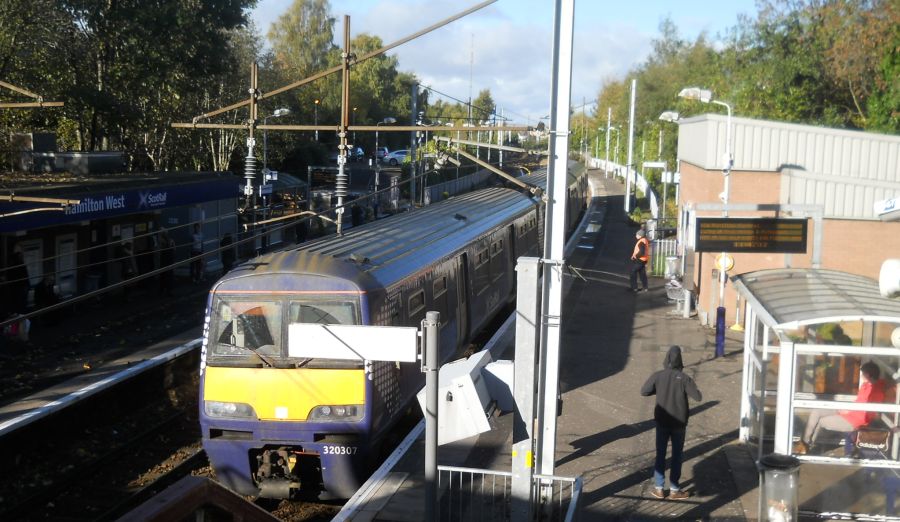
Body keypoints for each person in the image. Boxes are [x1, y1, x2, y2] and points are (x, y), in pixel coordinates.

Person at [641, 345, 702, 500]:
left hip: (662, 421)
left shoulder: (658, 376)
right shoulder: (685, 378)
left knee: (660, 454)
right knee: (677, 455)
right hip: (679, 423)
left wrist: (659, 390)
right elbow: (698, 397)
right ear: (680, 361)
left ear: (666, 359)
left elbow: (644, 391)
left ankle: (659, 488)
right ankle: (675, 489)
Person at [794, 361, 886, 455]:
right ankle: (805, 443)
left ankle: (805, 446)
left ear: (868, 375)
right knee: (816, 411)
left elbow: (866, 416)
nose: (861, 376)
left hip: (853, 421)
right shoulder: (866, 386)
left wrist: (846, 411)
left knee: (820, 421)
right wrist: (845, 409)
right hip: (848, 413)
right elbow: (859, 403)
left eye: (863, 374)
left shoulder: (876, 392)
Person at [630, 229, 650, 293]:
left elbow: (641, 252)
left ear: (640, 235)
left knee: (633, 272)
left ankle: (634, 287)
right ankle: (645, 288)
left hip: (639, 260)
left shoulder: (641, 242)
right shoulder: (644, 240)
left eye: (637, 234)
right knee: (642, 274)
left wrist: (635, 256)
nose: (636, 235)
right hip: (643, 260)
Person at [158, 229, 175, 296]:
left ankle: (163, 289)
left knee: (164, 275)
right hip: (169, 260)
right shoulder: (170, 240)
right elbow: (174, 249)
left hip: (165, 260)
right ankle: (168, 290)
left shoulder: (162, 241)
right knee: (168, 275)